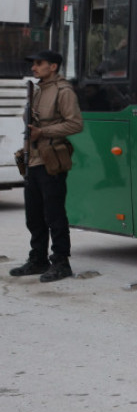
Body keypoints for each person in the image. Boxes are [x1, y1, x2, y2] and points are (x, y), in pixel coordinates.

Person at [10, 50, 83, 282]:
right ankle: (38, 259)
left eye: (39, 63)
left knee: (54, 215)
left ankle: (61, 262)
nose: (34, 67)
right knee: (34, 216)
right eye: (33, 64)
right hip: (32, 159)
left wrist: (43, 132)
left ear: (53, 66)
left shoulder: (63, 91)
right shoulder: (37, 90)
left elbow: (75, 124)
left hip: (50, 160)